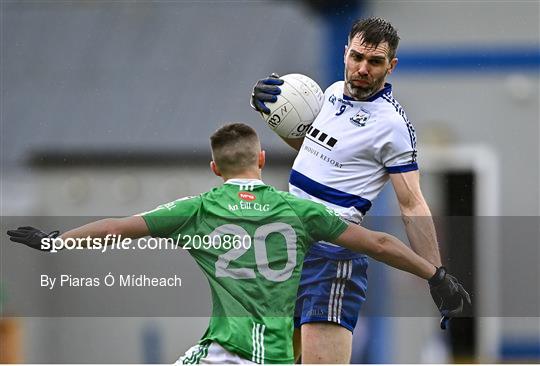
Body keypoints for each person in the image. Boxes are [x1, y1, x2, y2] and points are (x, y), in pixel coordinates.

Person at [7, 123, 468, 364]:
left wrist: (57, 243)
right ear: (262, 160)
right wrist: (435, 273)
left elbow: (115, 228)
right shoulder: (299, 211)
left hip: (225, 354)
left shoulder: (198, 210)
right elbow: (379, 242)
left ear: (214, 168)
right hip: (273, 358)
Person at [251, 17, 451, 363]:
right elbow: (316, 152)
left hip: (332, 257)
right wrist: (272, 112)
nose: (362, 68)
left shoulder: (392, 126)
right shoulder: (327, 94)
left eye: (374, 62)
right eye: (357, 57)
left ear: (391, 66)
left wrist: (438, 276)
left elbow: (411, 203)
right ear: (345, 53)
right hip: (289, 248)